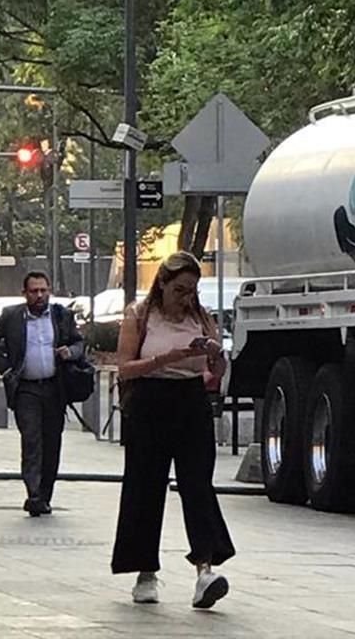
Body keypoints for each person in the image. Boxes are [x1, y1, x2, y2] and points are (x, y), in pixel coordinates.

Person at [111, 251, 235, 609]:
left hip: (191, 399)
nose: (186, 298)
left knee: (197, 483)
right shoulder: (140, 315)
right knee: (146, 484)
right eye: (180, 290)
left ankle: (205, 568)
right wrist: (166, 359)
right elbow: (124, 368)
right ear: (162, 283)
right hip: (151, 397)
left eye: (192, 291)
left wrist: (215, 357)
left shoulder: (201, 317)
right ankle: (144, 571)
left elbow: (215, 374)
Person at [0, 271, 85, 517]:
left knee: (52, 442)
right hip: (26, 388)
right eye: (34, 291)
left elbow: (80, 343)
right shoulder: (12, 316)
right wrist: (6, 369)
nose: (39, 295)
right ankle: (34, 494)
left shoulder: (61, 316)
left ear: (49, 291)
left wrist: (70, 351)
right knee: (31, 440)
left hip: (54, 388)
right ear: (24, 293)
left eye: (43, 290)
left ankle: (46, 494)